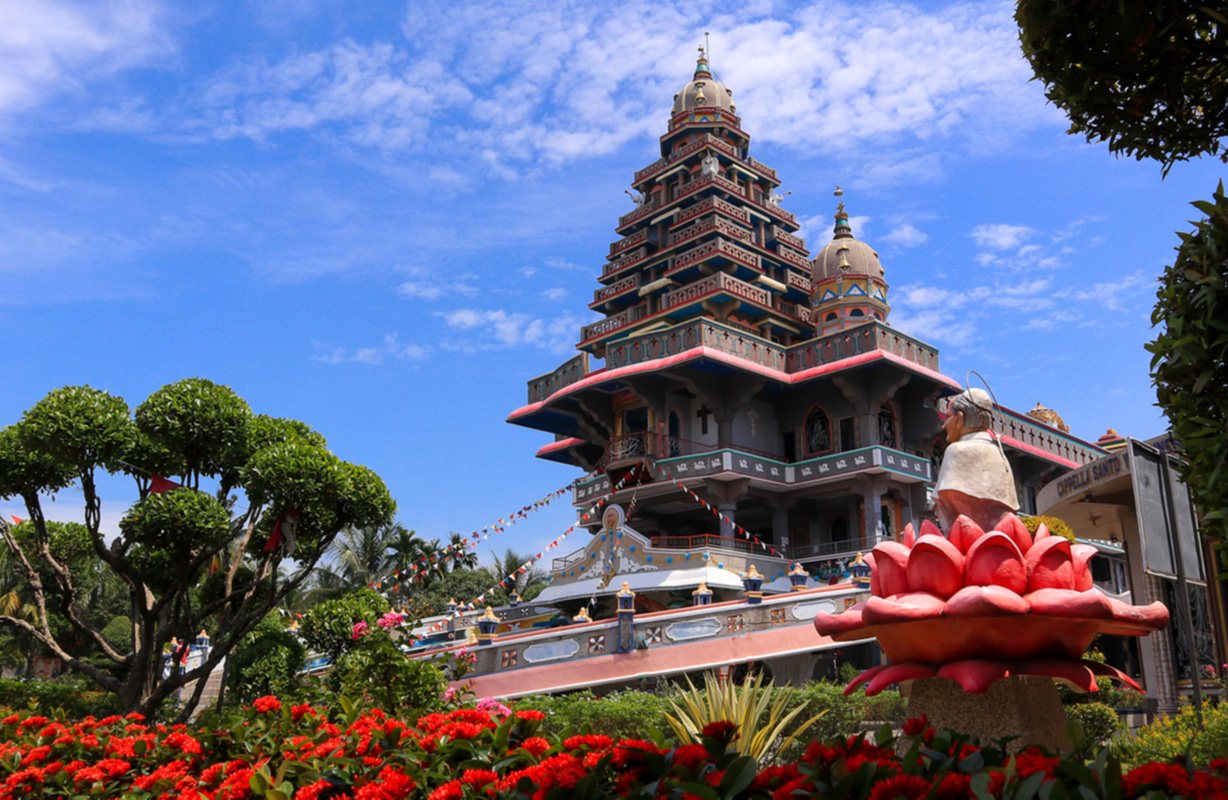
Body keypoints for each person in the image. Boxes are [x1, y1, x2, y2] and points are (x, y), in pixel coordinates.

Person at [932, 388, 1019, 531]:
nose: (944, 425)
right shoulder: (1001, 455)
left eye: (948, 417)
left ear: (960, 418)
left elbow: (948, 511)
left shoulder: (956, 451)